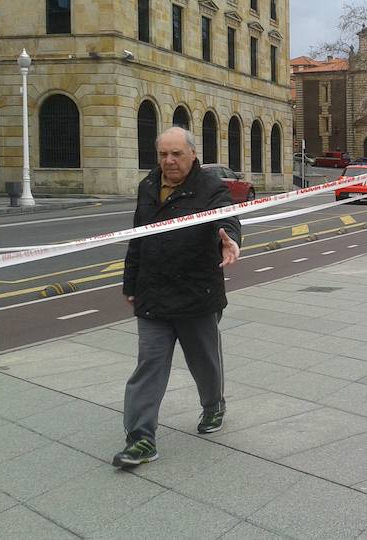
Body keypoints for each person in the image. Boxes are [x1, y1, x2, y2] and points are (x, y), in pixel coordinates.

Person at [114, 127, 242, 468]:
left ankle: (213, 404)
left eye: (176, 154)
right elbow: (137, 238)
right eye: (162, 154)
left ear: (193, 155)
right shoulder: (148, 186)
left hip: (196, 293)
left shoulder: (210, 187)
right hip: (152, 294)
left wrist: (229, 239)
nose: (168, 161)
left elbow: (227, 220)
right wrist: (131, 283)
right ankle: (140, 438)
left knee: (204, 361)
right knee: (149, 367)